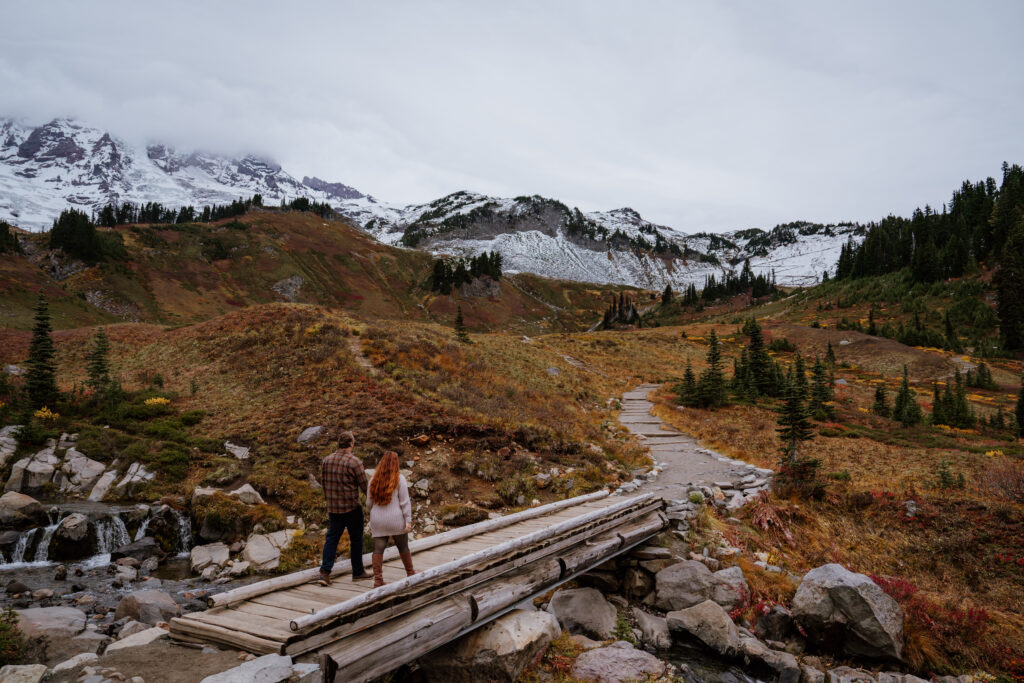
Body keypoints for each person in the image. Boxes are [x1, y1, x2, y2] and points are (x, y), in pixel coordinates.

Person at [319, 430, 370, 584]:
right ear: (351, 444)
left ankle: (325, 572)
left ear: (339, 444)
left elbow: (323, 482)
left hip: (334, 508)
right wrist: (374, 503)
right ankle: (358, 572)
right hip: (352, 508)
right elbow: (365, 486)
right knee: (356, 539)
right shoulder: (354, 462)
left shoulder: (326, 461)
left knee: (332, 539)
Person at [367, 451, 415, 587]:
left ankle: (378, 580)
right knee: (403, 546)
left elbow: (368, 503)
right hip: (395, 519)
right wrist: (408, 520)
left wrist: (374, 514)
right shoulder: (399, 479)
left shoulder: (373, 479)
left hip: (378, 520)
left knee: (378, 549)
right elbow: (405, 502)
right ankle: (410, 573)